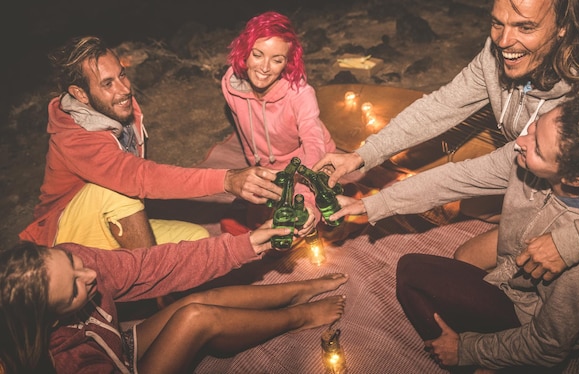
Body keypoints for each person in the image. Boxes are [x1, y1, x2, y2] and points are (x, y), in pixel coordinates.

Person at [313, 0, 579, 279]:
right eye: (496, 22)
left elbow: (476, 173)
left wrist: (574, 242)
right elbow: (442, 105)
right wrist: (360, 156)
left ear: (563, 28)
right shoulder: (501, 51)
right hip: (531, 173)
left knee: (485, 262)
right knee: (463, 219)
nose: (503, 41)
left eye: (525, 27)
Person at [331, 97, 579, 370]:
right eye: (534, 127)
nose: (521, 141)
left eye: (537, 148)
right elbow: (456, 179)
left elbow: (552, 344)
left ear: (575, 180)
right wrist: (368, 205)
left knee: (412, 272)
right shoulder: (522, 160)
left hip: (530, 320)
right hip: (515, 271)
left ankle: (488, 361)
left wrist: (468, 350)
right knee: (464, 257)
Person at [18, 35, 283, 251]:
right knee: (117, 189)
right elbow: (138, 176)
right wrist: (226, 180)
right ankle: (147, 289)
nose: (124, 89)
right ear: (80, 94)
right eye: (107, 83)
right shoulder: (75, 139)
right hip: (63, 238)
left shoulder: (118, 105)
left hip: (113, 218)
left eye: (122, 74)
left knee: (197, 240)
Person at [0, 221, 348, 374]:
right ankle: (299, 317)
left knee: (194, 301)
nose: (89, 275)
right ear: (52, 320)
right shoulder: (58, 361)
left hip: (122, 348)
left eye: (73, 263)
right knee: (196, 318)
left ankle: (297, 289)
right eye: (74, 289)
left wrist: (248, 244)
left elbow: (154, 265)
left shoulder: (79, 263)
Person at [215, 11, 336, 234]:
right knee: (259, 231)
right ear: (245, 52)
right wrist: (258, 171)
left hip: (306, 164)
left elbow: (313, 144)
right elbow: (246, 133)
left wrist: (307, 196)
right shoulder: (230, 85)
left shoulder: (300, 94)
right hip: (267, 169)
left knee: (309, 223)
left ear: (287, 63)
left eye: (277, 60)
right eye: (258, 55)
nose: (264, 67)